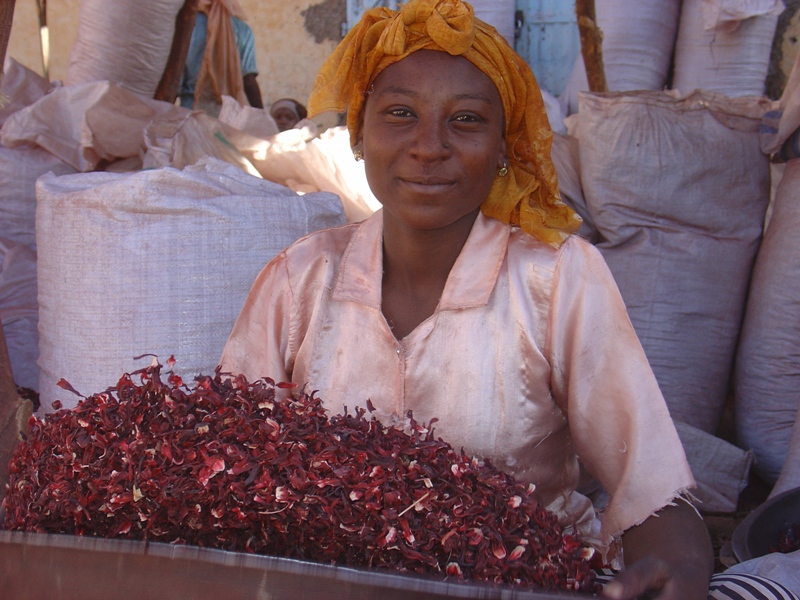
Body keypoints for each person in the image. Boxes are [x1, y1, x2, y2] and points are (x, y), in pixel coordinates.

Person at [219, 2, 799, 599]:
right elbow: (228, 462)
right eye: (399, 114)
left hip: (520, 580)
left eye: (466, 119)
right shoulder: (300, 277)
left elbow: (649, 483)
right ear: (360, 134)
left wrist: (674, 571)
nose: (429, 146)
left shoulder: (557, 279)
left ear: (505, 146)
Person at [178, 0, 263, 115]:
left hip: (190, 114)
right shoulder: (242, 30)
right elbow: (249, 81)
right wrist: (262, 117)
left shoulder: (185, 26)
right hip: (227, 118)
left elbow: (175, 82)